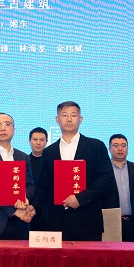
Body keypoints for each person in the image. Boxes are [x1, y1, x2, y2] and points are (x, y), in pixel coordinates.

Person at [33, 101, 117, 241]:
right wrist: (33, 207)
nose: (69, 119)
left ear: (80, 119)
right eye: (64, 115)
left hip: (88, 221)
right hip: (56, 222)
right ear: (57, 119)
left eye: (73, 115)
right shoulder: (48, 152)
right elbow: (43, 186)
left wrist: (80, 198)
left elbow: (107, 179)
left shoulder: (95, 146)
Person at [106, 134, 134, 241]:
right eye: (116, 145)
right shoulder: (103, 169)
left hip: (133, 222)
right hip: (110, 221)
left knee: (133, 251)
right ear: (109, 149)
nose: (120, 149)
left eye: (123, 145)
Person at [28, 127, 48, 231]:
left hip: (48, 210)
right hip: (28, 209)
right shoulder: (24, 162)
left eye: (42, 140)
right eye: (35, 139)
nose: (38, 143)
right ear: (29, 141)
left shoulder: (52, 162)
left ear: (47, 142)